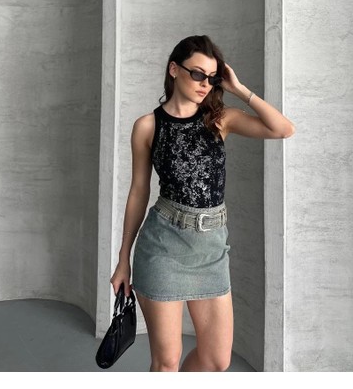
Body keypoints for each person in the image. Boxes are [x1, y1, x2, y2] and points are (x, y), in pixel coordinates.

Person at [110, 34, 295, 372]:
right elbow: (138, 191)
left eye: (211, 78)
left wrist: (239, 89)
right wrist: (123, 259)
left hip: (211, 249)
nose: (205, 84)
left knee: (216, 360)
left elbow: (283, 129)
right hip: (163, 246)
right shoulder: (148, 126)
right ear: (174, 69)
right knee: (166, 363)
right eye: (197, 74)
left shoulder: (220, 119)